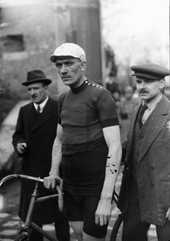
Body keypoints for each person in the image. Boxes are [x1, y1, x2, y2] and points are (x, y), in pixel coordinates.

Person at [44, 43, 122, 241]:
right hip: (71, 184)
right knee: (79, 237)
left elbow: (115, 147)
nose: (63, 70)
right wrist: (54, 171)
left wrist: (106, 198)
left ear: (83, 65)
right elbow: (59, 140)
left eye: (69, 63)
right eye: (59, 65)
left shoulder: (101, 95)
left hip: (95, 186)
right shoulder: (63, 99)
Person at [12, 70, 70, 241]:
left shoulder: (58, 107)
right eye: (29, 89)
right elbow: (18, 134)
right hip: (31, 173)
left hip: (52, 172)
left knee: (60, 217)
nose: (32, 93)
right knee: (33, 219)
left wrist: (57, 169)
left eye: (36, 88)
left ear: (46, 88)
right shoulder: (24, 111)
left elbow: (64, 137)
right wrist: (19, 144)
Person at [117, 63, 170, 241]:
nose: (142, 86)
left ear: (162, 83)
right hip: (135, 193)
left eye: (148, 81)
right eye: (139, 81)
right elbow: (131, 144)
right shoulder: (136, 111)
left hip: (163, 196)